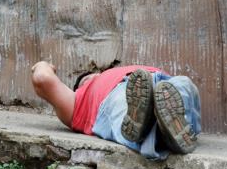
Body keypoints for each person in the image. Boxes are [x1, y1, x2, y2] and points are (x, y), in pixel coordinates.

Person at [30, 61, 201, 160]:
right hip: (119, 95)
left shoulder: (114, 73)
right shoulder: (77, 101)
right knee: (127, 111)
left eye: (89, 76)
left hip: (164, 86)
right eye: (83, 80)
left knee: (183, 83)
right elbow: (42, 78)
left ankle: (168, 129)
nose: (89, 78)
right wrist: (43, 64)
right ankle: (162, 132)